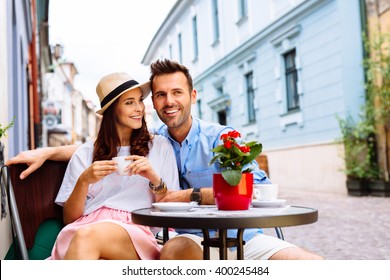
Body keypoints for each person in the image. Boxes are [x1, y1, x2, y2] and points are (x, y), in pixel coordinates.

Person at [7, 59, 323, 260]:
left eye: (177, 93)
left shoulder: (215, 139)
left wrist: (184, 190)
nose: (167, 101)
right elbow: (101, 149)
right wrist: (48, 151)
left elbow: (254, 191)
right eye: (159, 95)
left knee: (314, 268)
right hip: (186, 241)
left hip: (243, 238)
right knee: (162, 250)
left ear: (193, 96)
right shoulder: (157, 140)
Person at [47, 72, 179, 259]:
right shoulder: (85, 152)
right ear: (112, 110)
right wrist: (84, 181)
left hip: (135, 230)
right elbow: (70, 219)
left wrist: (153, 177)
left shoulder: (159, 146)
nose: (139, 108)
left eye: (139, 100)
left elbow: (170, 206)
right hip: (85, 227)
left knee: (86, 237)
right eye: (129, 102)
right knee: (84, 237)